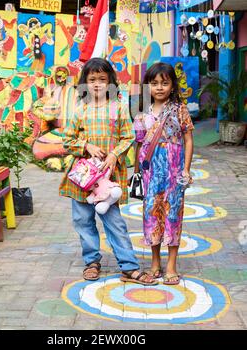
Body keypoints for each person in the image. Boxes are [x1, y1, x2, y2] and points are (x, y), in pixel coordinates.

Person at [59, 57, 158, 285]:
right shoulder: (80, 109)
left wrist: (114, 154)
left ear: (110, 82)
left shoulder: (119, 108)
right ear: (84, 82)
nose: (97, 84)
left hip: (108, 179)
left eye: (102, 79)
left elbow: (128, 136)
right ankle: (92, 262)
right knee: (83, 221)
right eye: (92, 79)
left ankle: (129, 267)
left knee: (115, 222)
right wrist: (86, 146)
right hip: (82, 179)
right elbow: (67, 140)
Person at [134, 62, 194, 285]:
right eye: (154, 83)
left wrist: (186, 169)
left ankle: (171, 265)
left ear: (172, 85)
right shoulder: (142, 114)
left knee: (172, 215)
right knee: (151, 215)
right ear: (148, 86)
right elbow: (139, 145)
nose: (159, 87)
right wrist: (137, 173)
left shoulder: (180, 109)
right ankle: (155, 262)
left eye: (164, 83)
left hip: (174, 173)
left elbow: (188, 140)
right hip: (150, 175)